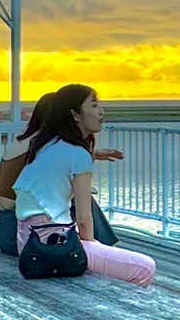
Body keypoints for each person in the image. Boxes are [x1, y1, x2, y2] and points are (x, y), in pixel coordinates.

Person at [10, 86, 155, 286]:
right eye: (94, 105)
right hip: (53, 243)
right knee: (145, 267)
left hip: (28, 241)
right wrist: (92, 245)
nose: (101, 111)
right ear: (75, 115)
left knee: (108, 259)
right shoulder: (78, 154)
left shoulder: (48, 145)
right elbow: (84, 220)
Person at [0, 93, 125, 257]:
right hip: (22, 238)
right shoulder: (45, 143)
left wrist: (92, 154)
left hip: (4, 230)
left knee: (73, 199)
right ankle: (103, 248)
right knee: (80, 199)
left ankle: (103, 246)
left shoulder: (28, 138)